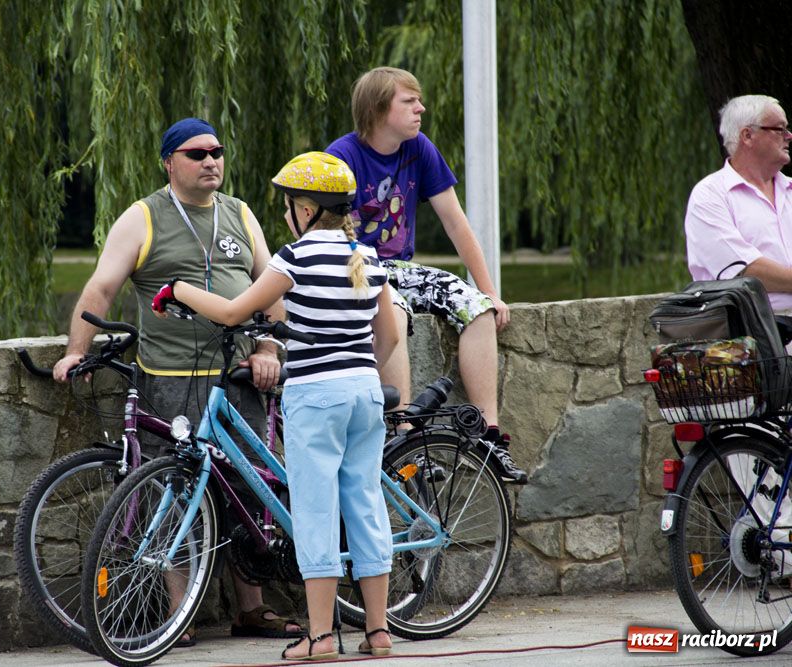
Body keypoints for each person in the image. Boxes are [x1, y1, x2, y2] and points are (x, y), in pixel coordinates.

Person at [52, 117, 302, 643]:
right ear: (169, 163)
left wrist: (267, 349)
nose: (211, 161)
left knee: (248, 487)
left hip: (236, 377)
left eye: (217, 151)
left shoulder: (240, 213)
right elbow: (101, 289)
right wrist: (76, 351)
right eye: (196, 154)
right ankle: (176, 613)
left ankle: (252, 609)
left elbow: (271, 289)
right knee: (171, 488)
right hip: (169, 378)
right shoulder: (143, 217)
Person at [151, 152, 399, 660]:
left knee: (315, 511)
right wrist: (353, 367)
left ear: (306, 210)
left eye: (289, 207)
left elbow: (233, 311)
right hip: (365, 391)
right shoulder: (368, 257)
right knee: (366, 504)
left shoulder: (295, 258)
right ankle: (378, 632)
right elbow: (390, 337)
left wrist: (179, 289)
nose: (287, 216)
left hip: (317, 397)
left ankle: (321, 637)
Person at [325, 66, 526, 483]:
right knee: (393, 314)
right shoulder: (342, 157)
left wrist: (489, 292)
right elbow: (324, 234)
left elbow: (456, 223)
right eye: (409, 101)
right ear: (379, 109)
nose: (421, 108)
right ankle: (404, 437)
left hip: (399, 268)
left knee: (477, 308)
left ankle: (487, 437)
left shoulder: (418, 149)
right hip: (357, 268)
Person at [685, 94, 792, 308]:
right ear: (748, 136)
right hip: (751, 326)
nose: (789, 135)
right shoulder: (710, 195)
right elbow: (744, 271)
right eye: (780, 129)